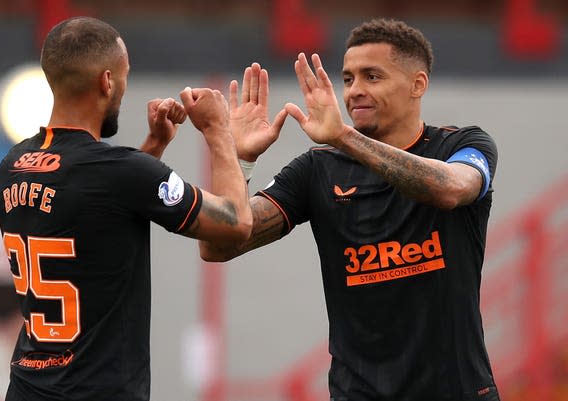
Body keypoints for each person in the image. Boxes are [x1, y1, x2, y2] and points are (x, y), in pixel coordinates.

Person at [201, 18, 500, 401]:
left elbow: (450, 189)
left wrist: (344, 136)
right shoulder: (317, 169)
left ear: (417, 84)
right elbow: (218, 246)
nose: (355, 91)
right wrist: (237, 158)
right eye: (348, 79)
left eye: (372, 77)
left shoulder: (462, 145)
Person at [0, 16, 251, 401]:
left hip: (28, 389)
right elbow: (235, 222)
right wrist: (218, 131)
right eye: (125, 77)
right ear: (107, 81)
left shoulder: (12, 165)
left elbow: (95, 210)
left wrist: (153, 147)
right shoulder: (121, 172)